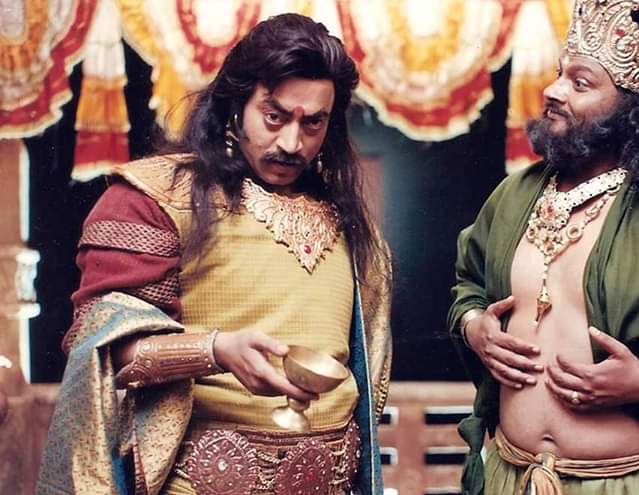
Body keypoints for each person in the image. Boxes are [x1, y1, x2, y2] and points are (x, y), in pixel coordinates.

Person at [38, 13, 392, 495]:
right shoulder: (160, 197)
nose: (292, 142)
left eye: (313, 123)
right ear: (235, 105)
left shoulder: (347, 219)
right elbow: (100, 351)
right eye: (274, 116)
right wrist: (215, 350)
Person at [448, 1, 639, 493]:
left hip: (627, 483)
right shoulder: (515, 195)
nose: (552, 91)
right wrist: (475, 329)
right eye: (559, 74)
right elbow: (468, 287)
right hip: (510, 474)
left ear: (634, 111)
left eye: (580, 83)